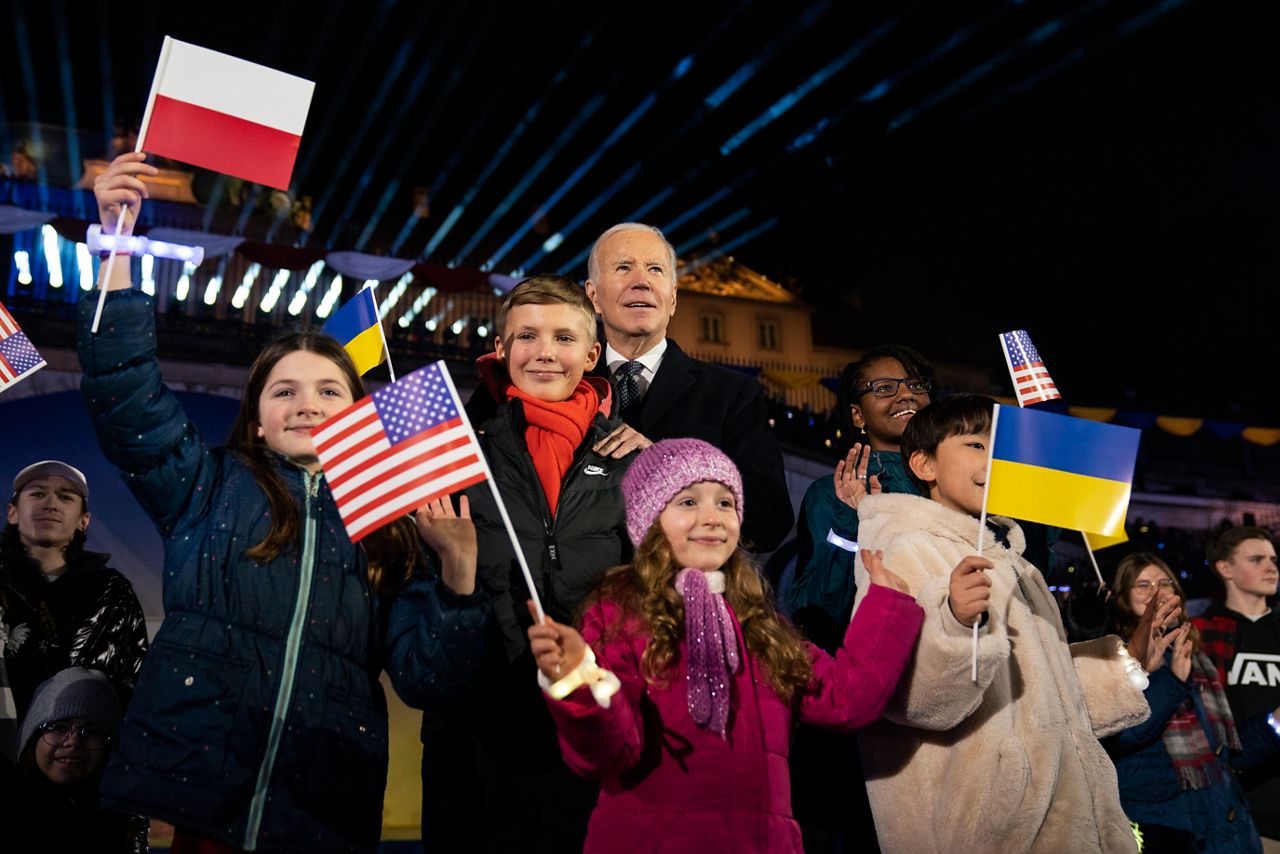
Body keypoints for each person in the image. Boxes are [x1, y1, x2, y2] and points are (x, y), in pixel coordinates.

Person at [80, 152, 490, 851]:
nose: (308, 405)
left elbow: (429, 680)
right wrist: (117, 243)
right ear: (258, 417)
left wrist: (457, 576)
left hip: (320, 808)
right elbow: (126, 391)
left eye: (330, 390)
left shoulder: (389, 525)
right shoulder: (202, 486)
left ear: (359, 410)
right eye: (285, 391)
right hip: (196, 801)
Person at [525, 438, 923, 852]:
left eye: (725, 503)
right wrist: (578, 680)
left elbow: (845, 698)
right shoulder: (621, 613)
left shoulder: (760, 622)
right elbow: (610, 753)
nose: (712, 518)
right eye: (688, 502)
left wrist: (887, 607)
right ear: (650, 517)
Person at [851, 393, 1163, 853]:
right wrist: (954, 624)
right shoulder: (905, 549)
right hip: (986, 835)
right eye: (976, 445)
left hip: (1065, 825)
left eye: (1001, 447)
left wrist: (1129, 662)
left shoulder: (1016, 564)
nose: (996, 458)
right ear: (924, 465)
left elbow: (1039, 700)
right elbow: (905, 698)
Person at [420, 275, 633, 853]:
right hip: (477, 731)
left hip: (594, 725)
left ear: (591, 354)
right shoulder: (457, 453)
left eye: (564, 337)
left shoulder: (634, 461)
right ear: (501, 348)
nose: (544, 352)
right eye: (526, 336)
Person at [583, 222, 793, 553]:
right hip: (581, 598)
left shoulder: (732, 394)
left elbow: (770, 521)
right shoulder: (564, 384)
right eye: (624, 267)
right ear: (593, 296)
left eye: (655, 269)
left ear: (673, 298)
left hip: (681, 598)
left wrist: (669, 466)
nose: (642, 281)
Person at [1105, 552, 1280, 853]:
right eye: (1142, 584)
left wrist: (1274, 723)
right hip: (1171, 827)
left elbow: (1222, 755)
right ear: (1123, 597)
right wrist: (1172, 682)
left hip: (1227, 823)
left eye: (1164, 582)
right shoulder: (1112, 656)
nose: (1156, 592)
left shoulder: (1193, 653)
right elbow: (1124, 737)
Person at [786, 345, 933, 651]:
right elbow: (816, 612)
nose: (906, 394)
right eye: (884, 389)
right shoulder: (831, 494)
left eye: (916, 384)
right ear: (858, 415)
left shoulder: (956, 480)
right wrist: (849, 523)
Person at [0, 461, 148, 730]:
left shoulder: (112, 592)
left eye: (66, 496)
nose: (51, 504)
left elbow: (135, 684)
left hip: (83, 754)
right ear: (12, 513)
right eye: (37, 493)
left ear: (84, 521)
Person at [1192, 526, 1280, 850]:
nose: (1271, 567)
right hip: (1243, 816)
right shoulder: (1200, 635)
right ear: (1224, 568)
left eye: (1273, 559)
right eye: (1256, 559)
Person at [0, 667, 147, 853]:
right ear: (32, 736)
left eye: (92, 731)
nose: (74, 742)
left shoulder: (125, 821)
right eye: (59, 727)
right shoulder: (7, 812)